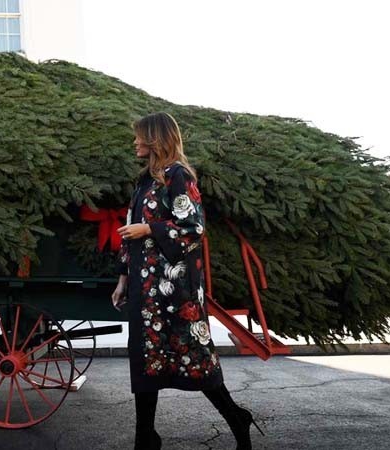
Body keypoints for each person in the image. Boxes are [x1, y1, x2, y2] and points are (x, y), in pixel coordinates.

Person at [112, 112, 262, 450]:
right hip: (144, 287)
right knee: (145, 357)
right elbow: (128, 230)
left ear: (156, 138)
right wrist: (123, 278)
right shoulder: (145, 181)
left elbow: (193, 227)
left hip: (175, 291)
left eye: (140, 136)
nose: (135, 142)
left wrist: (151, 228)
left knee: (195, 357)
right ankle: (145, 438)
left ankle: (236, 417)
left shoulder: (177, 176)